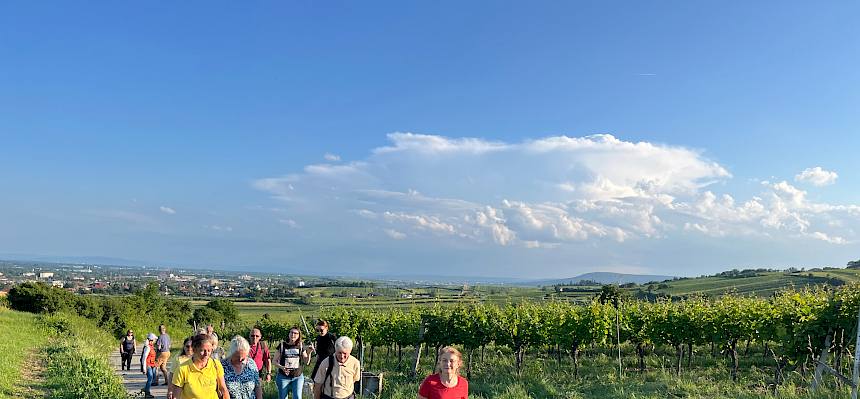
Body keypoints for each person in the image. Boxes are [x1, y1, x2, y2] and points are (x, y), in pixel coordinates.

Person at [168, 333, 230, 399]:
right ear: (194, 350)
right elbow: (176, 396)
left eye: (209, 350)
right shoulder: (182, 369)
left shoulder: (216, 365)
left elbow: (223, 389)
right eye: (202, 350)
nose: (206, 354)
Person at [274, 327, 310, 399]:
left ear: (299, 335)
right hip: (283, 377)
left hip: (297, 377)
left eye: (295, 333)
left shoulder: (301, 346)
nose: (293, 334)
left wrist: (309, 352)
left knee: (297, 397)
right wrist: (282, 367)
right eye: (291, 332)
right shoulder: (282, 345)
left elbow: (306, 362)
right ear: (289, 334)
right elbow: (274, 361)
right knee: (283, 397)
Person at [140, 333, 158, 399]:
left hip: (152, 365)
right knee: (150, 378)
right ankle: (147, 393)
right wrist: (144, 368)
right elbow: (144, 358)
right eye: (154, 340)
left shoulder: (152, 347)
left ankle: (145, 389)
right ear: (151, 340)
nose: (155, 341)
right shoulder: (147, 347)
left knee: (153, 378)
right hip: (148, 365)